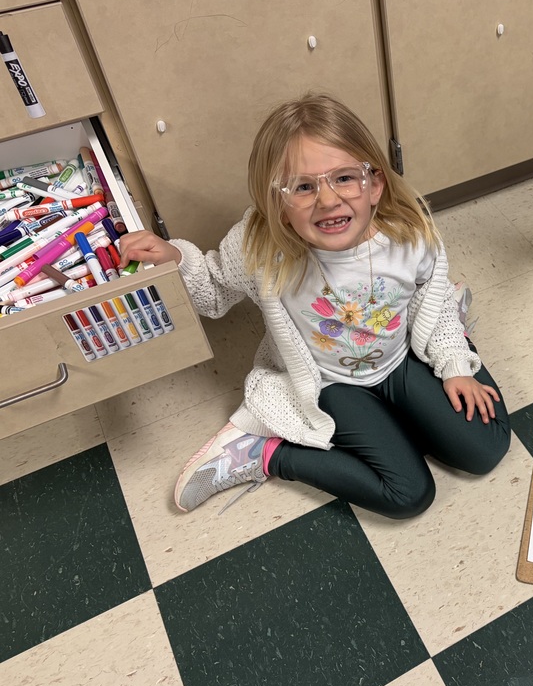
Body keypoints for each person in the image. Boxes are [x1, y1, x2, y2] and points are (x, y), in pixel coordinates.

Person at [119, 93, 510, 518]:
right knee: (409, 495)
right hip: (330, 384)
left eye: (344, 178)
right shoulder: (259, 247)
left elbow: (426, 294)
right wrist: (175, 259)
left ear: (375, 183)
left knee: (486, 448)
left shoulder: (408, 232)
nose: (327, 200)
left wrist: (454, 363)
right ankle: (263, 453)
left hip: (400, 358)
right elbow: (212, 292)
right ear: (278, 204)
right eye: (303, 187)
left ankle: (452, 325)